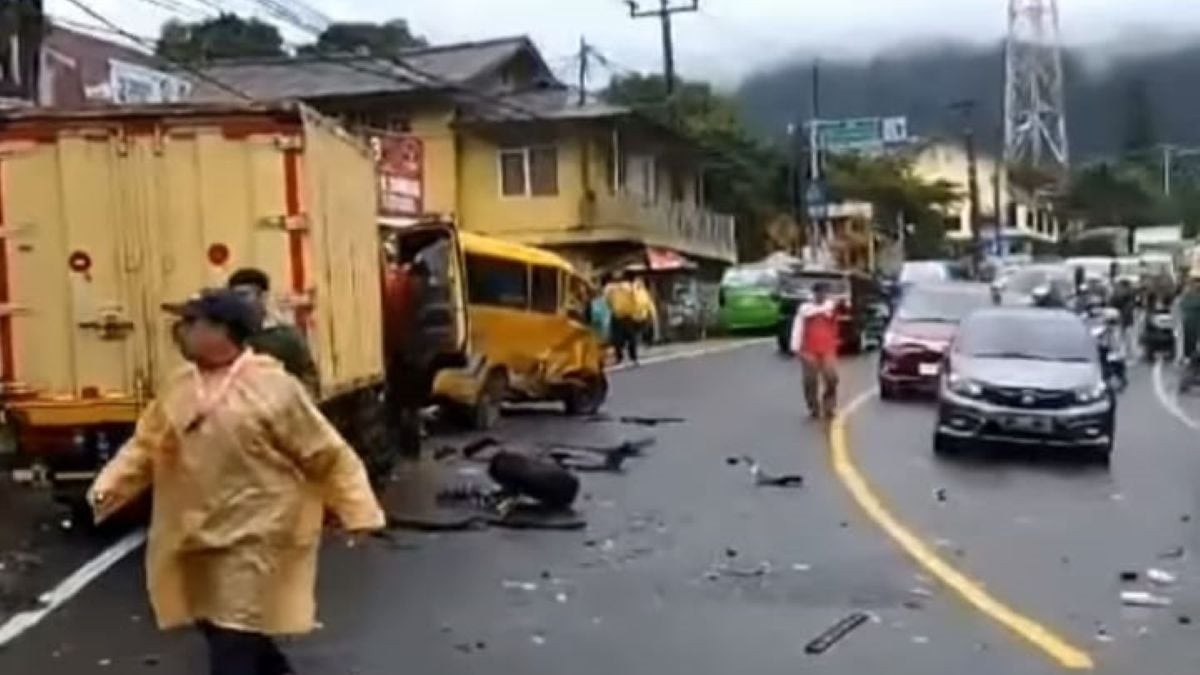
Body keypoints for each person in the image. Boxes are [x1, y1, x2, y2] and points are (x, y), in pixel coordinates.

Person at [87, 289, 385, 675]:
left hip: (256, 532)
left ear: (221, 330)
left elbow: (326, 453)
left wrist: (359, 510)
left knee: (233, 638)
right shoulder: (180, 386)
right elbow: (146, 445)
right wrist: (109, 486)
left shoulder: (273, 388)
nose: (180, 332)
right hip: (195, 530)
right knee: (218, 623)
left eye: (190, 323)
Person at [228, 268, 319, 395]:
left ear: (263, 297)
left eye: (245, 295)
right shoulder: (227, 339)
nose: (239, 302)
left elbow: (308, 378)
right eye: (234, 297)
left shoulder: (287, 337)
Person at [791, 282, 840, 419]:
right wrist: (796, 348)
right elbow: (798, 327)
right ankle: (813, 407)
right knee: (810, 381)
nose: (822, 295)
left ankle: (829, 405)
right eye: (819, 293)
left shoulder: (830, 309)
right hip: (808, 350)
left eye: (824, 292)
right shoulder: (805, 309)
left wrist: (834, 343)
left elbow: (835, 326)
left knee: (831, 378)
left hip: (827, 349)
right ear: (814, 294)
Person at [604, 272, 640, 365]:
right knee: (631, 337)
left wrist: (613, 308)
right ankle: (633, 357)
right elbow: (636, 299)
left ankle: (619, 357)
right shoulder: (629, 286)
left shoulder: (609, 288)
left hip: (616, 314)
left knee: (617, 338)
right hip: (628, 314)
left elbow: (607, 301)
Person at [632, 277, 658, 345]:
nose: (639, 284)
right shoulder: (633, 292)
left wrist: (653, 312)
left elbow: (649, 303)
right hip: (636, 313)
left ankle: (648, 341)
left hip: (645, 313)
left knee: (647, 328)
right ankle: (641, 341)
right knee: (639, 329)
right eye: (638, 283)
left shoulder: (644, 292)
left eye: (640, 283)